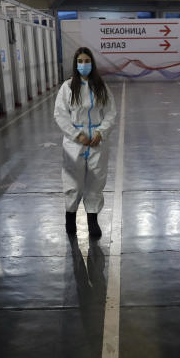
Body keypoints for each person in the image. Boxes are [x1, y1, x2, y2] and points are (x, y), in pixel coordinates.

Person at [53, 47, 117, 238]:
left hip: (97, 141)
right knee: (73, 180)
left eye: (86, 61)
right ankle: (70, 217)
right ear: (75, 64)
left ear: (92, 63)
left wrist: (101, 132)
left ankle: (92, 220)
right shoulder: (67, 87)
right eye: (79, 61)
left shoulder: (101, 87)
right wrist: (76, 134)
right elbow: (60, 115)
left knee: (96, 180)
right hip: (75, 143)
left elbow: (111, 113)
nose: (83, 65)